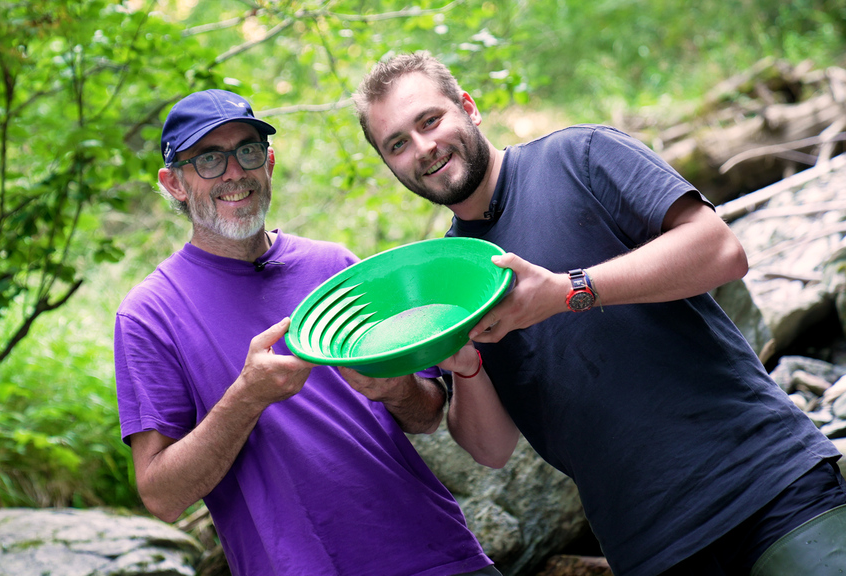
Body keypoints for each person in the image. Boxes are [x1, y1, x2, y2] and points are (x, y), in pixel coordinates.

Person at [353, 52, 846, 576]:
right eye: (398, 144)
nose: (424, 148)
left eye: (430, 120)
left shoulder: (580, 155)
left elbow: (721, 251)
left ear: (468, 109)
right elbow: (491, 450)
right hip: (648, 547)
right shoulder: (448, 277)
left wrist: (568, 291)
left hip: (770, 483)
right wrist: (466, 365)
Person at [113, 88, 501, 576]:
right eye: (209, 159)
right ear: (174, 183)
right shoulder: (150, 315)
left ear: (269, 162)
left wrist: (396, 388)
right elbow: (162, 495)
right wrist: (246, 398)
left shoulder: (334, 265)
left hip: (440, 557)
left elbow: (426, 415)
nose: (235, 172)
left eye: (247, 151)